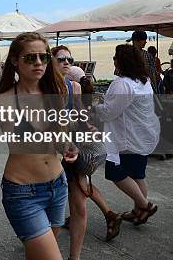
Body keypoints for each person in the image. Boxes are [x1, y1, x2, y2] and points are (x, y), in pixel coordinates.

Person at [0, 32, 78, 260]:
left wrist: (69, 146)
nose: (38, 63)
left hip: (58, 186)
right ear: (15, 60)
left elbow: (58, 139)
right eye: (30, 58)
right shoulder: (2, 102)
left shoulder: (54, 93)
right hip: (23, 193)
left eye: (43, 57)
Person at [51, 46, 121, 259]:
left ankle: (72, 254)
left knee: (79, 197)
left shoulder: (74, 87)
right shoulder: (41, 88)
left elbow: (79, 113)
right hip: (50, 152)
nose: (66, 62)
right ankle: (108, 215)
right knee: (77, 190)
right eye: (61, 58)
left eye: (69, 59)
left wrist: (87, 126)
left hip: (71, 148)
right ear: (51, 61)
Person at [95, 44, 160, 227]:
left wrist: (95, 106)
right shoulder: (144, 81)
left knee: (116, 174)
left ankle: (145, 205)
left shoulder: (122, 84)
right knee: (137, 174)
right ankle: (138, 212)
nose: (113, 60)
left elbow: (109, 112)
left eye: (115, 57)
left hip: (125, 139)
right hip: (142, 135)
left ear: (122, 61)